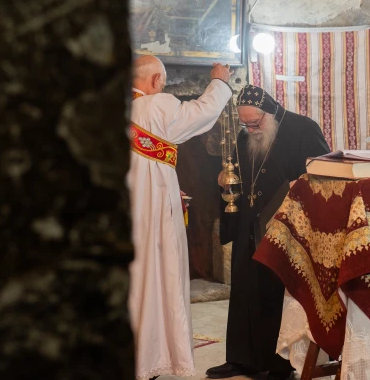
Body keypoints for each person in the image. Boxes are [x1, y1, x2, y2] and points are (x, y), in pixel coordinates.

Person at [206, 86, 330, 380]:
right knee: (245, 291)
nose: (251, 129)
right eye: (245, 124)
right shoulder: (245, 136)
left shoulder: (302, 128)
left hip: (286, 226)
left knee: (276, 294)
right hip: (249, 224)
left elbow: (324, 174)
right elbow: (236, 172)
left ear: (270, 112)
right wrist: (224, 179)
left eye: (255, 123)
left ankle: (280, 365)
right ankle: (241, 360)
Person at [127, 55, 233, 380]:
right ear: (156, 80)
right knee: (156, 275)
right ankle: (149, 358)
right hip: (151, 210)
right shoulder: (155, 105)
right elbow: (201, 114)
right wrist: (219, 82)